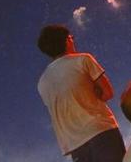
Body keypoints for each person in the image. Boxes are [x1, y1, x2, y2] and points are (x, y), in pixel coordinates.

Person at [37, 25, 125, 162]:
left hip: (75, 145)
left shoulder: (42, 82)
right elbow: (108, 92)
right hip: (101, 131)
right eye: (71, 38)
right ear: (66, 40)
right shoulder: (83, 60)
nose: (73, 41)